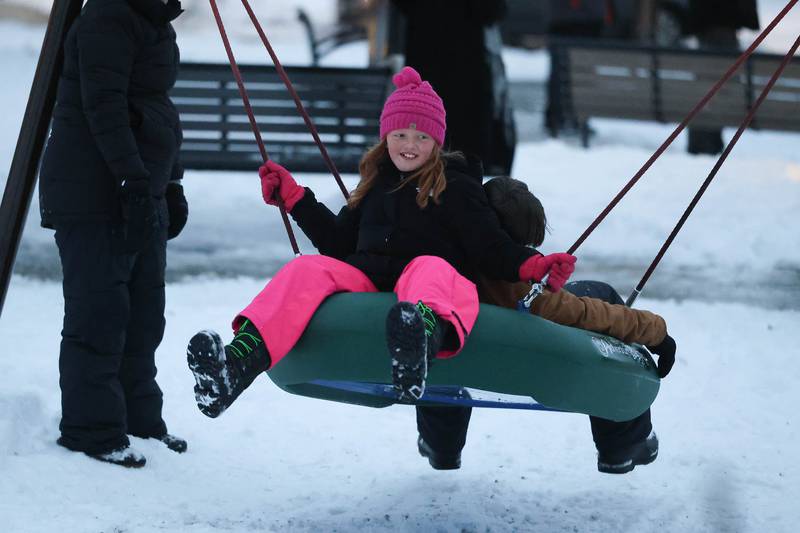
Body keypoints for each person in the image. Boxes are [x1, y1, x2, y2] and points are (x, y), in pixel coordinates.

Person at [186, 66, 577, 420]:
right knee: (305, 268)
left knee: (430, 265)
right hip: (370, 281)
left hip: (429, 290)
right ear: (386, 135)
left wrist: (533, 265)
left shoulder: (458, 187)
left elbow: (490, 247)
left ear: (437, 141)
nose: (410, 144)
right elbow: (340, 243)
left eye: (422, 136)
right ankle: (235, 367)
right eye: (400, 134)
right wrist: (295, 199)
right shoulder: (376, 182)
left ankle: (415, 349)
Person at [415, 177, 677, 474]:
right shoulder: (527, 296)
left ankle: (441, 444)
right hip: (523, 358)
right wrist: (657, 332)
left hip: (458, 353)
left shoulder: (438, 271)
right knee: (600, 297)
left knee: (444, 349)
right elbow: (588, 314)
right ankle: (623, 444)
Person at [38, 0, 187, 468]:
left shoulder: (153, 19)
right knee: (100, 313)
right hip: (94, 191)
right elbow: (103, 104)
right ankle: (92, 430)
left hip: (141, 188)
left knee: (145, 314)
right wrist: (133, 182)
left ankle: (140, 422)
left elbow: (158, 111)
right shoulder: (108, 15)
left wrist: (172, 183)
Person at [391, 0, 515, 174]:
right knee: (464, 156)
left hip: (427, 59)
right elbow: (491, 11)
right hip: (467, 70)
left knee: (424, 151)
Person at [686, 0, 759, 154]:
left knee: (704, 91)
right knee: (722, 89)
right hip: (727, 44)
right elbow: (751, 19)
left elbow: (689, 20)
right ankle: (710, 138)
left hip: (705, 44)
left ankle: (700, 139)